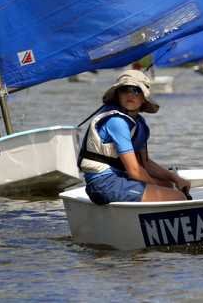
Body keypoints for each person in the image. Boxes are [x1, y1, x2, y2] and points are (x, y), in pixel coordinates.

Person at [78, 69, 190, 204]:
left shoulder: (140, 124)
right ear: (117, 95)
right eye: (124, 90)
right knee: (178, 197)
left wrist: (175, 178)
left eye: (135, 90)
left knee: (168, 185)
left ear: (144, 97)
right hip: (103, 184)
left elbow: (146, 164)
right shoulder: (116, 122)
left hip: (119, 178)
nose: (129, 94)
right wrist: (160, 189)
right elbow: (135, 171)